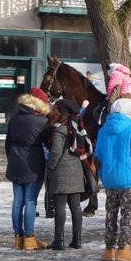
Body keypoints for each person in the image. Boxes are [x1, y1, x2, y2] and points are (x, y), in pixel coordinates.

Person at [94, 99, 131, 261]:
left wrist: (104, 176)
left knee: (111, 214)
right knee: (128, 215)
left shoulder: (103, 130)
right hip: (129, 180)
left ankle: (109, 249)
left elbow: (97, 158)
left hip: (110, 180)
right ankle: (123, 249)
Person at [6, 93, 50, 251]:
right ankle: (30, 238)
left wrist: (12, 158)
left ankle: (18, 238)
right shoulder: (42, 121)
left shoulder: (14, 118)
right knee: (30, 201)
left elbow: (8, 142)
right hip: (33, 164)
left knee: (17, 201)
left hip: (15, 163)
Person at [45, 99, 89, 250]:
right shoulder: (77, 127)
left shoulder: (59, 130)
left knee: (60, 207)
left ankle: (59, 240)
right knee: (76, 207)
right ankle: (77, 240)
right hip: (76, 170)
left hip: (61, 173)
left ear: (61, 112)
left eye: (55, 108)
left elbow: (56, 152)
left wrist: (50, 167)